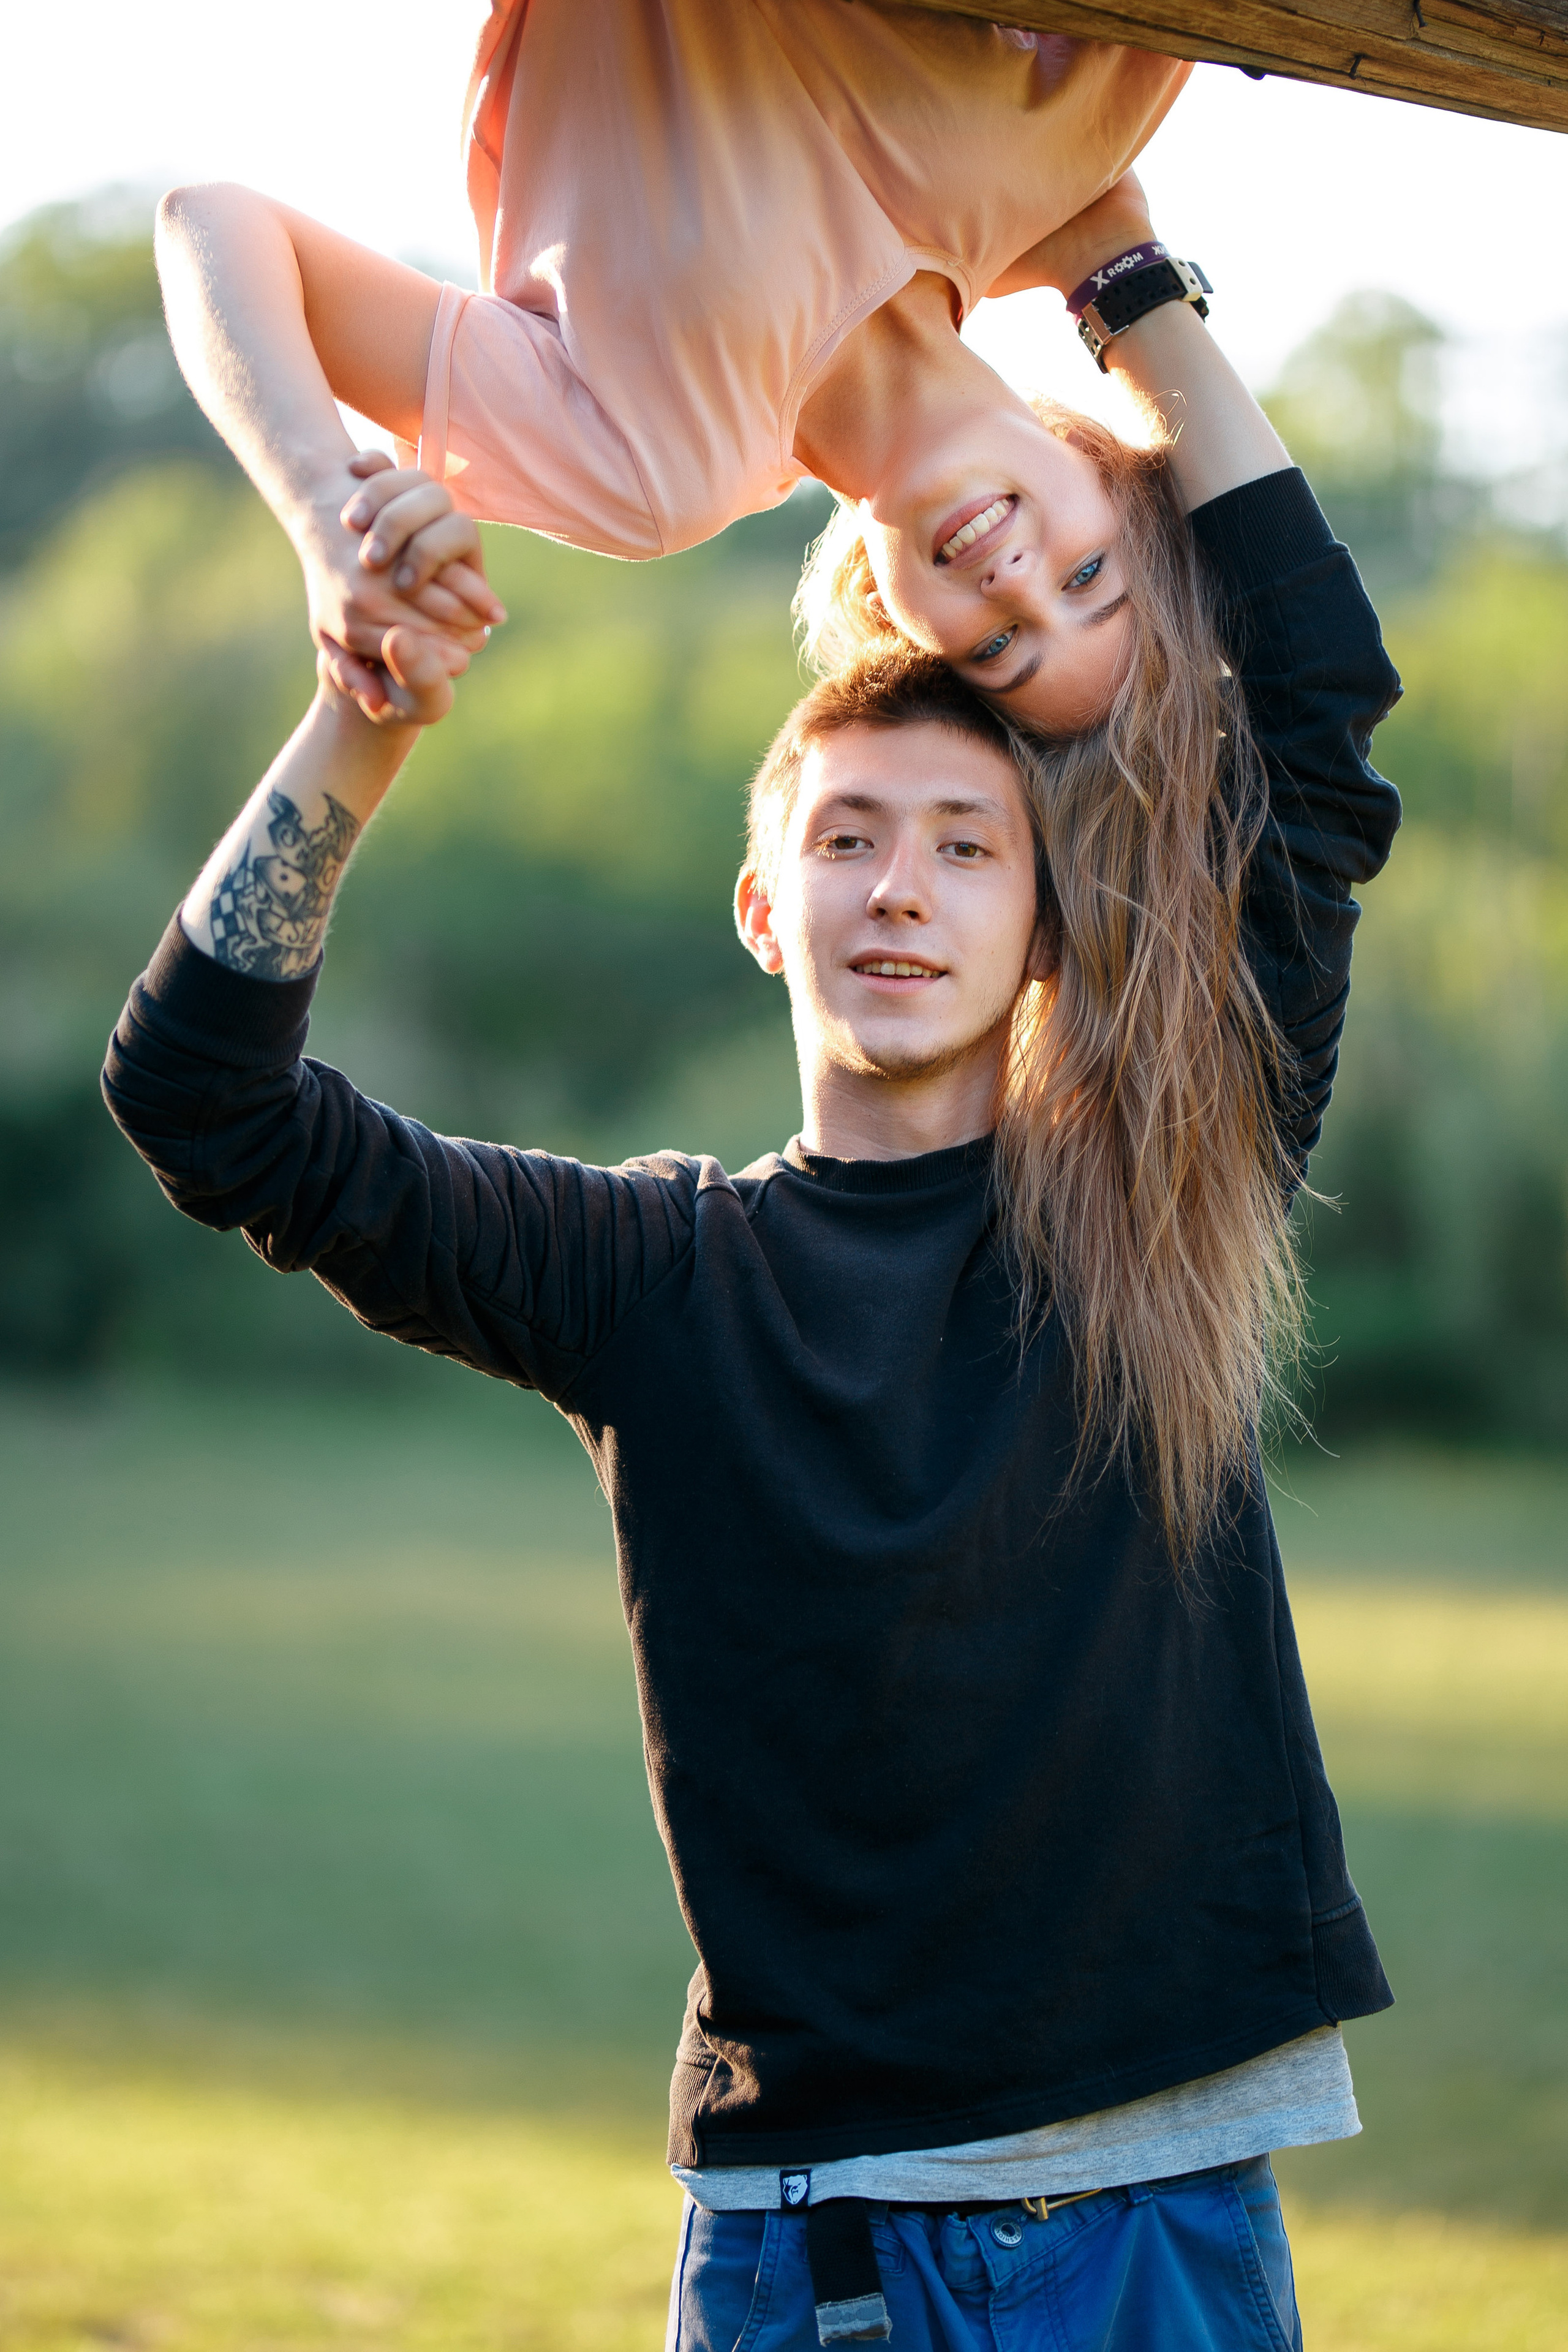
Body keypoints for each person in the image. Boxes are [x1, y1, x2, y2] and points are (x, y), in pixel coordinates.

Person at [105, 243, 1403, 2334]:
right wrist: (363, 720)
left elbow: (1320, 744)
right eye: (855, 841)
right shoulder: (650, 1275)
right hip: (819, 2240)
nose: (903, 887)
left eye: (972, 850)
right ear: (761, 908)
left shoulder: (1158, 1203)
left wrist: (1132, 281)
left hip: (1152, 2205)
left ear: (1048, 928)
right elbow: (200, 1101)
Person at [153, 1, 1199, 733]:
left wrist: (323, 517)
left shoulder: (659, 469)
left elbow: (218, 229)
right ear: (1108, 469)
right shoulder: (1069, 145)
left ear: (896, 627)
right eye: (1087, 578)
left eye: (999, 648)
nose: (1019, 584)